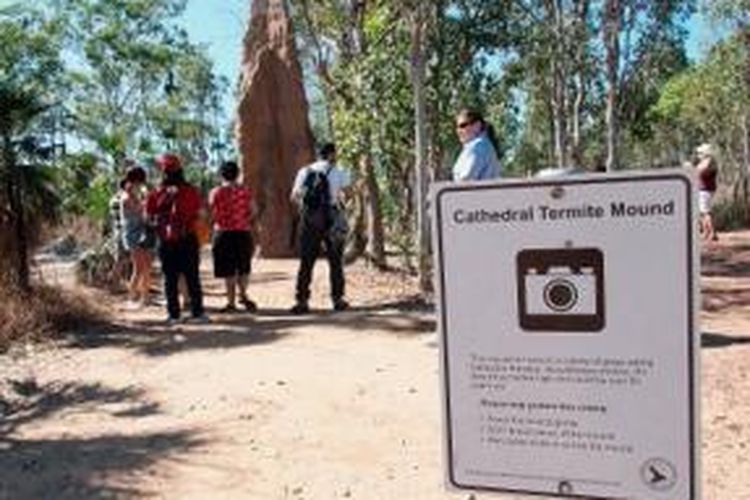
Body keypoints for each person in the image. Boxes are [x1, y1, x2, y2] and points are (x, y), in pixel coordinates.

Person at [145, 152, 208, 324]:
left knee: (170, 278)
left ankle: (173, 315)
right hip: (187, 238)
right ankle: (198, 313)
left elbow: (149, 219)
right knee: (192, 277)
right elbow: (200, 215)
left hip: (166, 241)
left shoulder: (156, 193)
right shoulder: (191, 190)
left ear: (163, 172)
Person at [289, 142, 351, 314]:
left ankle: (302, 301)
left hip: (310, 218)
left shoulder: (305, 171)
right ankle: (337, 299)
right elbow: (348, 194)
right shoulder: (338, 172)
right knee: (335, 261)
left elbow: (294, 196)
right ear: (331, 154)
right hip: (331, 217)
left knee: (306, 261)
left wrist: (306, 207)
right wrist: (340, 205)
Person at [209, 160, 257, 313]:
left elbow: (211, 211)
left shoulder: (215, 192)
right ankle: (243, 295)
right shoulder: (245, 191)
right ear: (237, 174)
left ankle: (231, 302)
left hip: (223, 233)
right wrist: (245, 220)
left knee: (228, 269)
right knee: (243, 266)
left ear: (221, 174)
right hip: (242, 232)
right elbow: (254, 210)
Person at [118, 166, 155, 307]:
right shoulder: (127, 196)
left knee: (146, 267)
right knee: (139, 268)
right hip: (133, 235)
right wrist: (147, 200)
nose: (141, 184)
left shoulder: (135, 193)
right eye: (140, 181)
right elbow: (140, 210)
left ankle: (145, 298)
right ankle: (132, 298)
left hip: (142, 233)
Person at [452, 108, 502, 181]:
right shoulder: (482, 145)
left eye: (463, 125)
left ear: (477, 125)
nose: (458, 131)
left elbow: (465, 181)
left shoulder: (478, 147)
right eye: (457, 127)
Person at [696, 143, 719, 242]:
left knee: (705, 212)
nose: (699, 155)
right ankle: (706, 232)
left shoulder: (708, 162)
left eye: (700, 153)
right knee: (703, 211)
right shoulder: (710, 162)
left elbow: (699, 171)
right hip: (706, 189)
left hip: (704, 190)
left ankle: (711, 232)